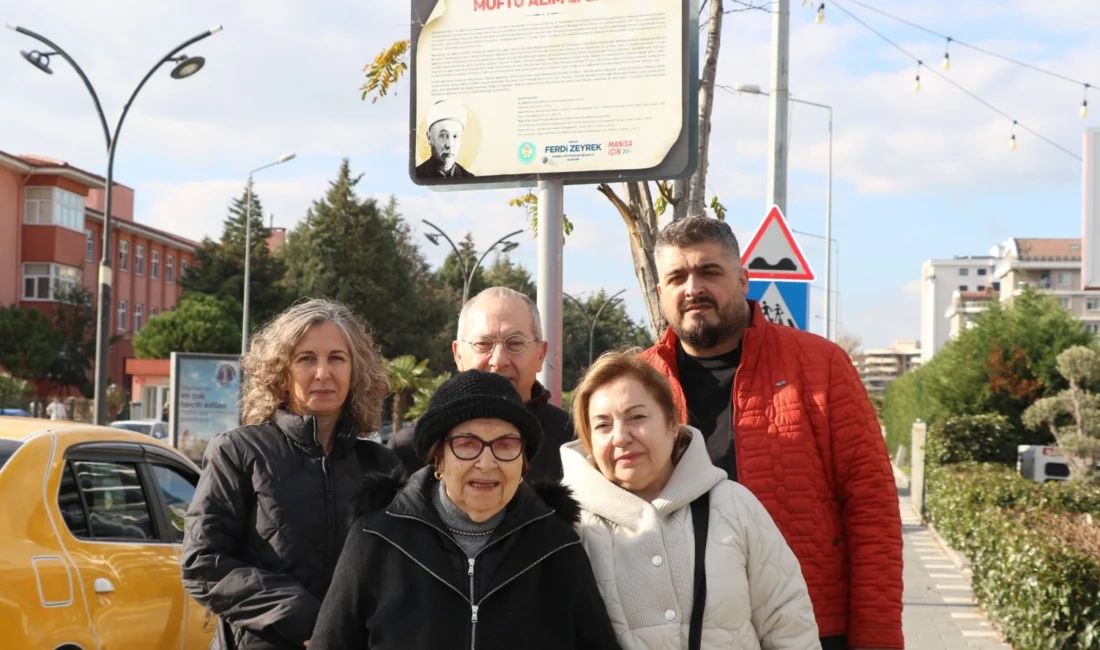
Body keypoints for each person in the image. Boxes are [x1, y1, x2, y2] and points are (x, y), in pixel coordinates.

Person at [639, 216, 904, 650]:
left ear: (743, 279)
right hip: (679, 632)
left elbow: (872, 506)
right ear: (660, 293)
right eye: (677, 277)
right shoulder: (640, 380)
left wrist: (877, 635)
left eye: (709, 272)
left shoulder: (822, 367)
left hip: (809, 627)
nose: (693, 288)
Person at [309, 369, 620, 650]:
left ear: (523, 463)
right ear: (438, 458)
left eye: (506, 444)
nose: (486, 463)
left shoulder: (556, 545)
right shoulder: (377, 538)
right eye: (467, 443)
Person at [561, 350, 820, 650]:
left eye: (637, 417)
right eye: (603, 425)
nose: (620, 437)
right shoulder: (567, 527)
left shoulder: (734, 506)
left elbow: (788, 623)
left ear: (672, 422)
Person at [181, 298, 402, 650]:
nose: (322, 373)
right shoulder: (238, 452)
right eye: (306, 359)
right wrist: (308, 621)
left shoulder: (382, 464)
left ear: (355, 370)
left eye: (336, 358)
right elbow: (203, 564)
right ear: (280, 371)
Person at [391, 286, 573, 481]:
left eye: (515, 343)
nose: (499, 360)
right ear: (458, 354)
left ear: (540, 354)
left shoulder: (573, 443)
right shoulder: (410, 449)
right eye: (483, 344)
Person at [415, 98, 476, 179]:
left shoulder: (469, 179)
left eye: (455, 136)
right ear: (429, 137)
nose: (450, 144)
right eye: (443, 136)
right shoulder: (417, 176)